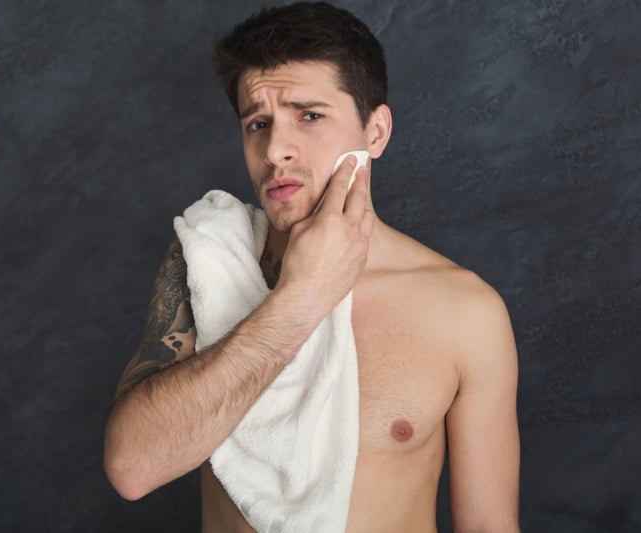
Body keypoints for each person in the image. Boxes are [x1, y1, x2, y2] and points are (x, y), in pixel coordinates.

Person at [104, 2, 520, 531]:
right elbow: (132, 468)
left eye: (310, 116)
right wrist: (302, 298)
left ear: (376, 132)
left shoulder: (465, 311)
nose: (276, 149)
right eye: (258, 123)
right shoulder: (209, 262)